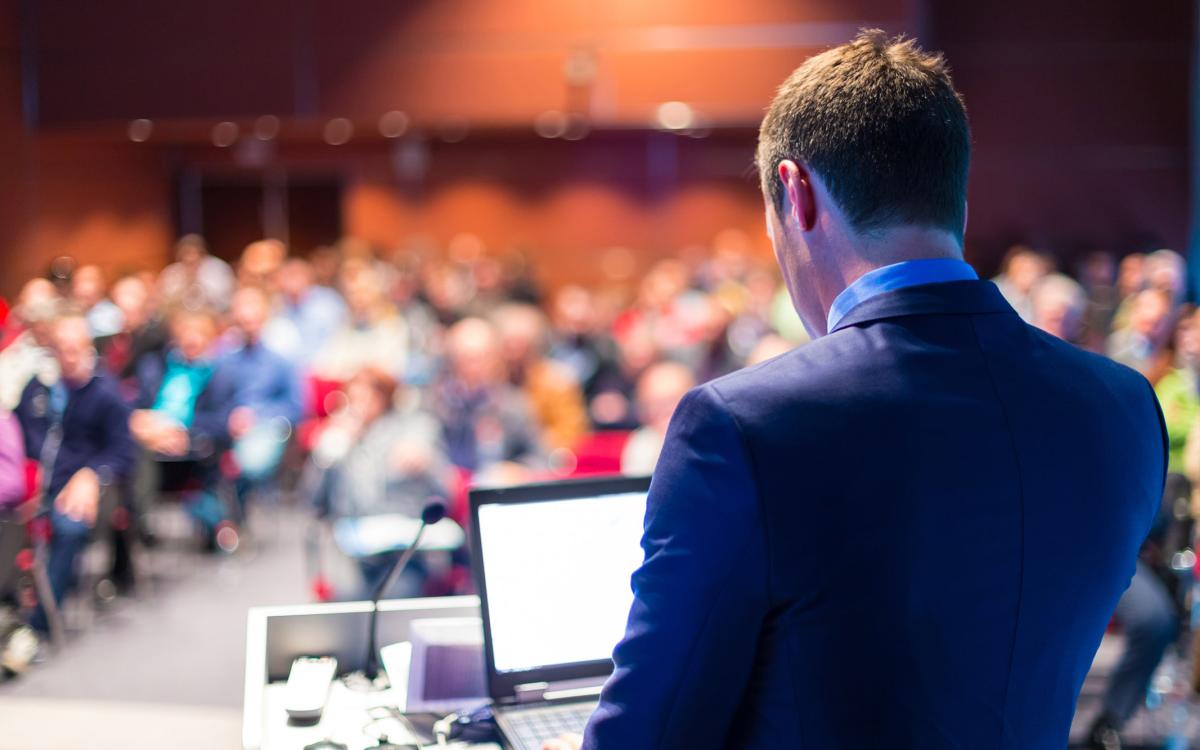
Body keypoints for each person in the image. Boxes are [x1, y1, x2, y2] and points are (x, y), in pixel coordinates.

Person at [546, 31, 1165, 750]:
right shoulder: (1122, 409)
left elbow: (647, 738)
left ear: (796, 192)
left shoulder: (743, 426)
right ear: (956, 205)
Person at [14, 314, 134, 632]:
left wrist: (92, 474)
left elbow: (123, 453)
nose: (68, 355)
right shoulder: (37, 389)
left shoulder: (106, 392)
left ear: (88, 348)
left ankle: (37, 627)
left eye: (75, 347)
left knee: (69, 525)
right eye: (61, 348)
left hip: (76, 488)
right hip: (28, 488)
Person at [307, 367, 451, 598]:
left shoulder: (417, 429)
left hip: (405, 553)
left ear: (385, 397)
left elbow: (445, 490)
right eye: (353, 399)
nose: (359, 406)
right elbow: (314, 502)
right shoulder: (340, 437)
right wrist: (327, 454)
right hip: (352, 552)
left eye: (367, 397)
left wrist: (427, 462)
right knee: (345, 603)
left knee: (397, 594)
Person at [129, 308, 236, 547]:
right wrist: (150, 427)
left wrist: (179, 429)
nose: (192, 339)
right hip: (151, 438)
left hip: (193, 450)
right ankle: (133, 525)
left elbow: (222, 422)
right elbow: (137, 405)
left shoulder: (221, 373)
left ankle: (215, 523)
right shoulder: (154, 366)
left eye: (199, 332)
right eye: (186, 331)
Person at [219, 286, 302, 511]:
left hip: (265, 428)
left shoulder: (280, 362)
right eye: (243, 316)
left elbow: (297, 406)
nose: (248, 322)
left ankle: (236, 513)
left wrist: (258, 416)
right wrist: (231, 417)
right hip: (226, 428)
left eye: (253, 316)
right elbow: (212, 399)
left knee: (250, 461)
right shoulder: (222, 359)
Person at [432, 317, 544, 478]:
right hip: (449, 494)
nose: (474, 367)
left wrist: (516, 470)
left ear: (496, 359)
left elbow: (541, 457)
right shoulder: (436, 402)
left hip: (495, 493)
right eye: (465, 358)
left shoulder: (513, 403)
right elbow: (429, 451)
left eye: (481, 358)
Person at [492, 303, 588, 454]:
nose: (513, 352)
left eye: (519, 344)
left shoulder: (557, 382)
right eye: (508, 344)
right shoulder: (494, 380)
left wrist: (533, 444)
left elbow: (571, 433)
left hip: (546, 461)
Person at [619, 361, 695, 476]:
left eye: (673, 400)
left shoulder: (710, 442)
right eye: (657, 404)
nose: (666, 410)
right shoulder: (641, 444)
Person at [157, 234, 235, 312]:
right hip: (180, 317)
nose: (190, 258)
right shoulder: (171, 273)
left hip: (212, 316)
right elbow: (165, 303)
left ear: (203, 253)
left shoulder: (217, 269)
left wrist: (198, 282)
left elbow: (224, 300)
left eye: (194, 253)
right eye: (186, 253)